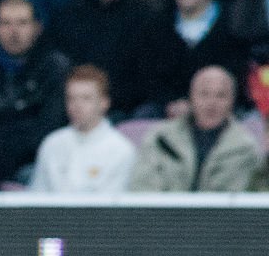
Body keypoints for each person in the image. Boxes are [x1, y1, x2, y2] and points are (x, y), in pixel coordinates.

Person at [0, 0, 71, 184]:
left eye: (22, 23)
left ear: (37, 28)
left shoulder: (56, 68)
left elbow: (49, 127)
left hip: (36, 162)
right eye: (5, 23)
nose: (13, 31)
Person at [128, 65, 262, 191]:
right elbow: (142, 188)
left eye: (221, 95)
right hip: (163, 214)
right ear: (191, 97)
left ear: (232, 100)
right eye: (204, 94)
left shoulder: (245, 147)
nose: (212, 103)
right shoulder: (160, 138)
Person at [29, 65, 136, 193]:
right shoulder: (52, 143)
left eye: (86, 98)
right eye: (71, 98)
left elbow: (113, 208)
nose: (77, 106)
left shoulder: (121, 150)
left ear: (104, 102)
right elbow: (36, 197)